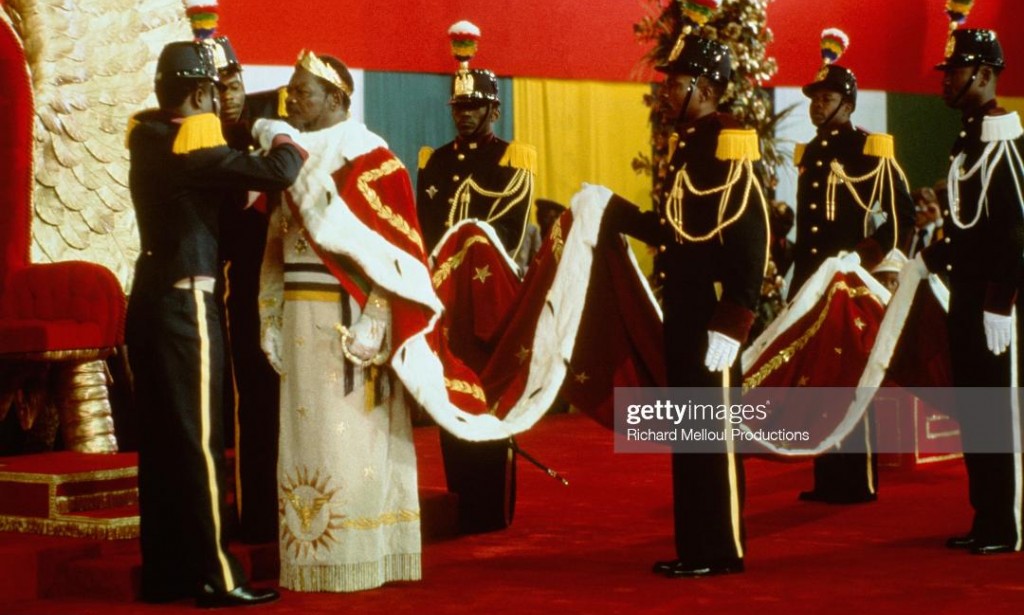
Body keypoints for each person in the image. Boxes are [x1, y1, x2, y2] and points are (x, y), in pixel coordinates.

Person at [125, 38, 305, 607]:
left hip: (150, 302)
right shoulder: (192, 144)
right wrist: (274, 129)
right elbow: (281, 169)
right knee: (203, 444)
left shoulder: (148, 136)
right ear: (200, 93)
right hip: (187, 307)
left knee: (160, 445)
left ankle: (169, 572)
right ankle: (219, 575)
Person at [602, 23, 769, 576]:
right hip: (685, 314)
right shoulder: (692, 147)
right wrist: (612, 211)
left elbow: (751, 235)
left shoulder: (728, 142)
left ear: (705, 86)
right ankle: (696, 546)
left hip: (712, 321)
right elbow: (675, 231)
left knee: (713, 440)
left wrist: (735, 318)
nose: (666, 93)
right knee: (691, 438)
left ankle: (721, 550)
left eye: (676, 84)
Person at [255, 50, 423, 591]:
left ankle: (362, 553)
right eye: (290, 91)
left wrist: (377, 318)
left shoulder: (373, 159)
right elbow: (276, 243)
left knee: (353, 439)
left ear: (337, 99)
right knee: (307, 436)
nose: (292, 100)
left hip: (351, 321)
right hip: (301, 318)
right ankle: (312, 556)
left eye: (304, 91)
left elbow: (398, 255)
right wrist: (271, 313)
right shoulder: (288, 155)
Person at [415, 21, 536, 534]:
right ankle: (463, 499)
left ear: (494, 110)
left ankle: (490, 508)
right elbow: (422, 227)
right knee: (450, 394)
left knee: (488, 395)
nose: (465, 117)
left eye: (475, 108)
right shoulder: (434, 162)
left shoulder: (513, 160)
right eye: (459, 109)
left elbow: (508, 232)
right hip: (446, 299)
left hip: (490, 295)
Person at [790, 28, 914, 505]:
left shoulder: (870, 150)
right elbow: (809, 230)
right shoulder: (813, 155)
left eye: (826, 98)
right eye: (814, 99)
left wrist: (864, 257)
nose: (817, 107)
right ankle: (827, 475)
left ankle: (858, 478)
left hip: (852, 280)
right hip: (816, 282)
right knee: (820, 379)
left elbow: (899, 218)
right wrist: (796, 279)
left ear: (848, 103)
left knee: (852, 378)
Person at [918, 22, 1023, 555]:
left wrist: (1000, 302)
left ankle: (1005, 524)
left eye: (955, 71)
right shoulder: (971, 142)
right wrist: (929, 258)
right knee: (976, 412)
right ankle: (987, 518)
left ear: (983, 76)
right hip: (968, 299)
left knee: (997, 415)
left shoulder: (1004, 143)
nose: (946, 80)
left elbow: (1014, 232)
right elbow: (969, 227)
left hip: (993, 308)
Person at [208, 28, 289, 545]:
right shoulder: (201, 144)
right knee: (247, 410)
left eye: (234, 80)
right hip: (236, 296)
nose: (230, 92)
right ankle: (255, 519)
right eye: (220, 83)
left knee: (282, 405)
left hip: (286, 291)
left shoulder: (268, 126)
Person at [907, 187, 943, 258]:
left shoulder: (939, 231)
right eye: (915, 210)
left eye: (921, 211)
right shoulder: (908, 233)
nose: (917, 215)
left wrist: (938, 220)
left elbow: (943, 248)